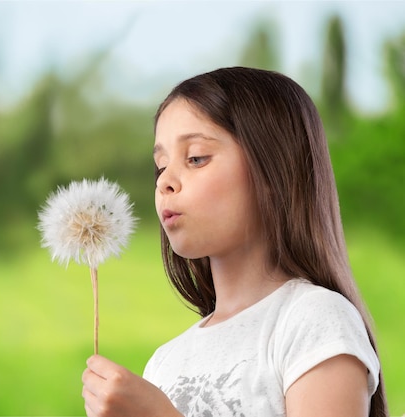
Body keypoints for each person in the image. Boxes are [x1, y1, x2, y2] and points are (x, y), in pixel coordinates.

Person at [81, 67, 388, 417]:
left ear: (274, 170)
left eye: (196, 158)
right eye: (160, 166)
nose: (165, 181)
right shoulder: (163, 363)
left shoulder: (312, 321)